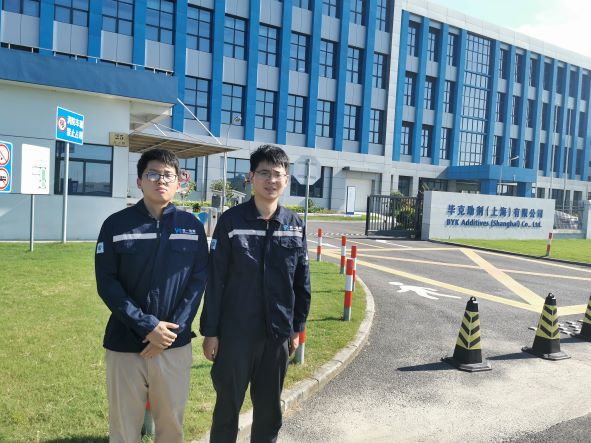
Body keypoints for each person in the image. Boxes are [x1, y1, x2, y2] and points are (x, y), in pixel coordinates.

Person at [95, 148, 208, 443]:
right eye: (153, 174)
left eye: (168, 175)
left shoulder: (192, 227)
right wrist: (147, 326)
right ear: (139, 181)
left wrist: (169, 333)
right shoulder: (116, 225)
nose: (161, 180)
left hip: (173, 346)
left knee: (171, 428)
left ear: (179, 182)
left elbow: (197, 282)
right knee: (123, 429)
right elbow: (107, 283)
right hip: (125, 344)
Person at [200, 144, 311, 443]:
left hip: (277, 335)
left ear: (286, 179)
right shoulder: (231, 222)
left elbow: (301, 281)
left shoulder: (295, 225)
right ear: (251, 177)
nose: (270, 180)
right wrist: (211, 332)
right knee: (227, 410)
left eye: (277, 174)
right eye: (263, 173)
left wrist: (297, 327)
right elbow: (216, 279)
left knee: (269, 412)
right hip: (235, 335)